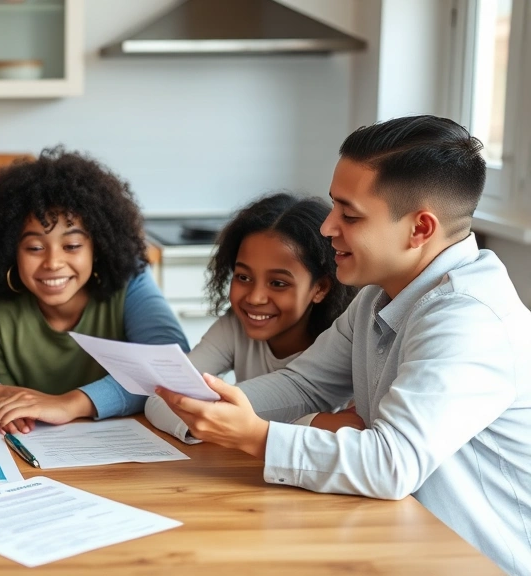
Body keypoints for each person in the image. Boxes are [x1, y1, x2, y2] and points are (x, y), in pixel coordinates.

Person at [154, 115, 531, 575]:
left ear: (419, 229)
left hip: (477, 562)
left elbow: (392, 463)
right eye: (334, 208)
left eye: (349, 215)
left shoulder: (469, 318)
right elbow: (305, 386)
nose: (328, 227)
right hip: (400, 541)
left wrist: (254, 435)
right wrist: (206, 408)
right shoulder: (378, 296)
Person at [0, 148, 190, 433]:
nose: (53, 263)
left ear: (97, 248)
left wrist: (70, 404)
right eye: (35, 248)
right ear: (11, 251)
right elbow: (13, 414)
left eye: (72, 246)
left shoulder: (124, 294)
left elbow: (172, 366)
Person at [146, 192, 357, 442]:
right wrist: (305, 423)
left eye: (278, 283)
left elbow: (352, 431)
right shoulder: (234, 326)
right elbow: (160, 399)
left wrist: (220, 419)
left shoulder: (343, 346)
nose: (255, 298)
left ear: (320, 288)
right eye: (243, 277)